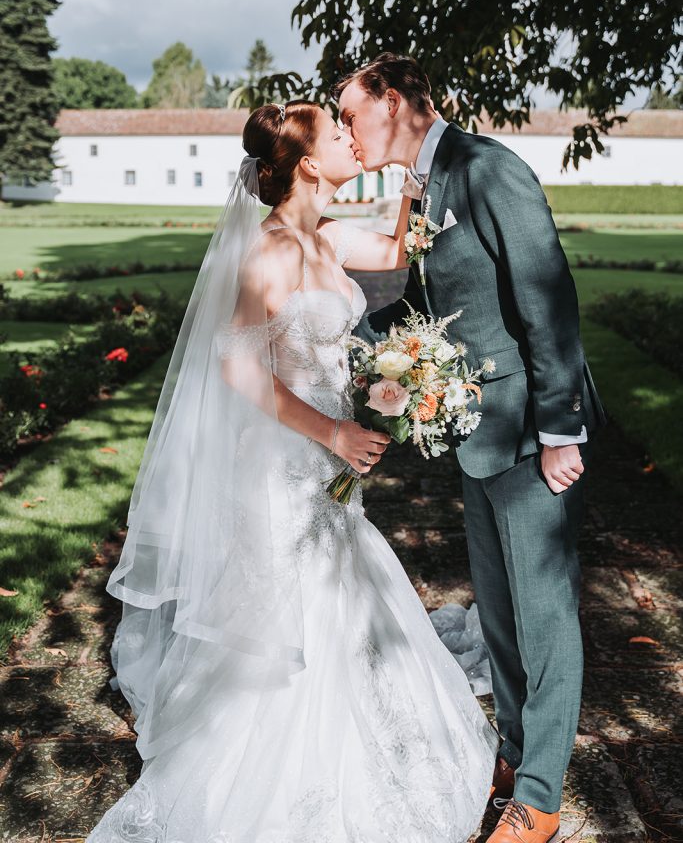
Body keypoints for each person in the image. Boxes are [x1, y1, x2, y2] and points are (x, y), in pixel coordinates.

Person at [86, 99, 497, 843]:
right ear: (307, 162)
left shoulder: (328, 236)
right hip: (284, 462)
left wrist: (410, 174)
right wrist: (333, 430)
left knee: (345, 592)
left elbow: (397, 252)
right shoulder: (270, 253)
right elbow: (241, 369)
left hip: (332, 464)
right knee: (296, 603)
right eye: (337, 132)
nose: (350, 138)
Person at [337, 53, 606, 843]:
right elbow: (419, 309)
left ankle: (540, 800)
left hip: (528, 434)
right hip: (473, 436)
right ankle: (515, 756)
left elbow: (546, 296)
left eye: (350, 114)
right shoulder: (417, 187)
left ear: (392, 101)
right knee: (499, 615)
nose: (347, 131)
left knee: (543, 617)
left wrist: (559, 429)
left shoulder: (487, 169)